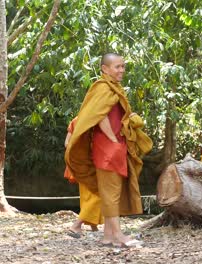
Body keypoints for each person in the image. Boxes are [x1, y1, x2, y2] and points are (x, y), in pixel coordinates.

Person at [65, 53, 153, 248]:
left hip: (113, 146)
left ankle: (108, 237)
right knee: (111, 193)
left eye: (123, 66)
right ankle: (119, 235)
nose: (121, 70)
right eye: (117, 67)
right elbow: (99, 115)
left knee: (112, 191)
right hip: (107, 148)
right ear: (105, 69)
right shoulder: (102, 87)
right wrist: (113, 140)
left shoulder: (113, 87)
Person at [64, 117, 103, 238]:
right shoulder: (94, 119)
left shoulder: (76, 120)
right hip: (90, 164)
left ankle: (93, 226)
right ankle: (76, 225)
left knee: (87, 196)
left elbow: (67, 143)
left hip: (81, 165)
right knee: (98, 195)